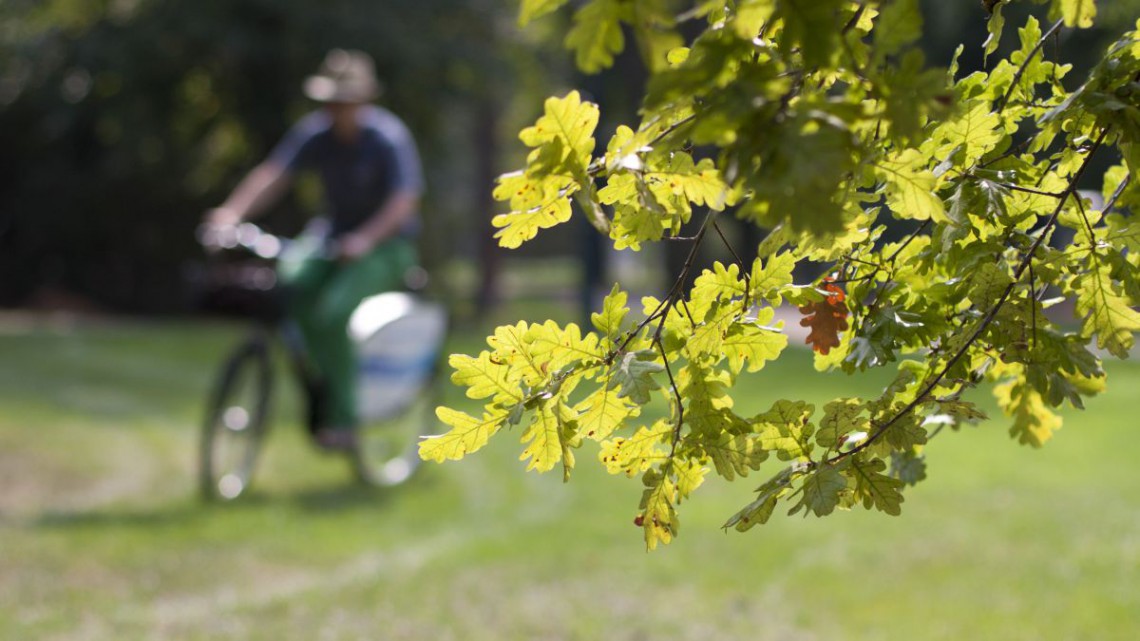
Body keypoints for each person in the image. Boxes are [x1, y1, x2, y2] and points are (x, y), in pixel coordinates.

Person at [205, 49, 424, 450]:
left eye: (344, 101)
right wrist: (231, 213)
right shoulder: (316, 134)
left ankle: (344, 419)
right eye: (331, 101)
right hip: (331, 237)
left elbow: (403, 203)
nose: (336, 109)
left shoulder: (388, 140)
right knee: (291, 283)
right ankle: (322, 383)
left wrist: (365, 240)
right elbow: (274, 174)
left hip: (386, 246)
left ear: (363, 101)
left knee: (335, 311)